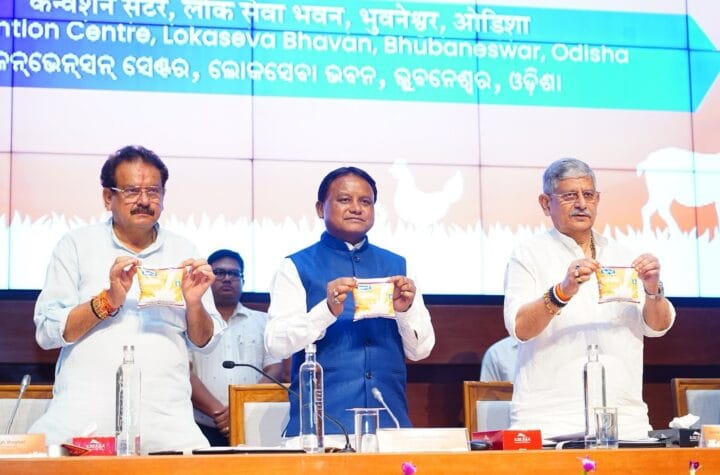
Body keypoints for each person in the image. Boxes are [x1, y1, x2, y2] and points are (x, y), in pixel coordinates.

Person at [30, 145, 224, 453]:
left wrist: (194, 304)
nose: (144, 201)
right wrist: (107, 301)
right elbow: (48, 331)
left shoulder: (184, 250)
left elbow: (205, 341)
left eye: (153, 191)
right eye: (132, 191)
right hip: (83, 424)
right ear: (108, 197)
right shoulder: (76, 246)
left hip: (167, 429)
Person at [503, 158, 675, 440]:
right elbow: (520, 328)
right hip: (550, 422)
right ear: (546, 203)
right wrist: (562, 291)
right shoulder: (528, 255)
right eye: (570, 196)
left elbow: (658, 327)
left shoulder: (624, 254)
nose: (582, 204)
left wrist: (653, 291)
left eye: (589, 195)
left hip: (625, 422)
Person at [265, 166, 435, 444]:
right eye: (344, 200)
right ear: (320, 209)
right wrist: (325, 312)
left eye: (365, 201)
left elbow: (421, 350)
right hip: (321, 432)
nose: (356, 208)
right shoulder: (295, 266)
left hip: (389, 429)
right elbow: (276, 345)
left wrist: (404, 311)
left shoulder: (399, 266)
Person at [190, 249, 284, 446]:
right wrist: (220, 413)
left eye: (233, 273)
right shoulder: (191, 322)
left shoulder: (263, 321)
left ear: (243, 280)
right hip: (201, 427)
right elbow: (184, 373)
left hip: (255, 425)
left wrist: (242, 409)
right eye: (219, 273)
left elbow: (275, 369)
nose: (227, 279)